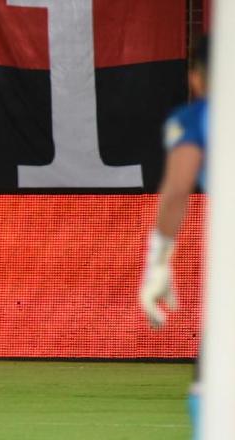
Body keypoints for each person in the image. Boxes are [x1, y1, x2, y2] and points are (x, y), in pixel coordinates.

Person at [140, 36, 208, 439]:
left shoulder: (197, 118)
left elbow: (177, 190)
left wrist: (158, 264)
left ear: (197, 78)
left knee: (210, 390)